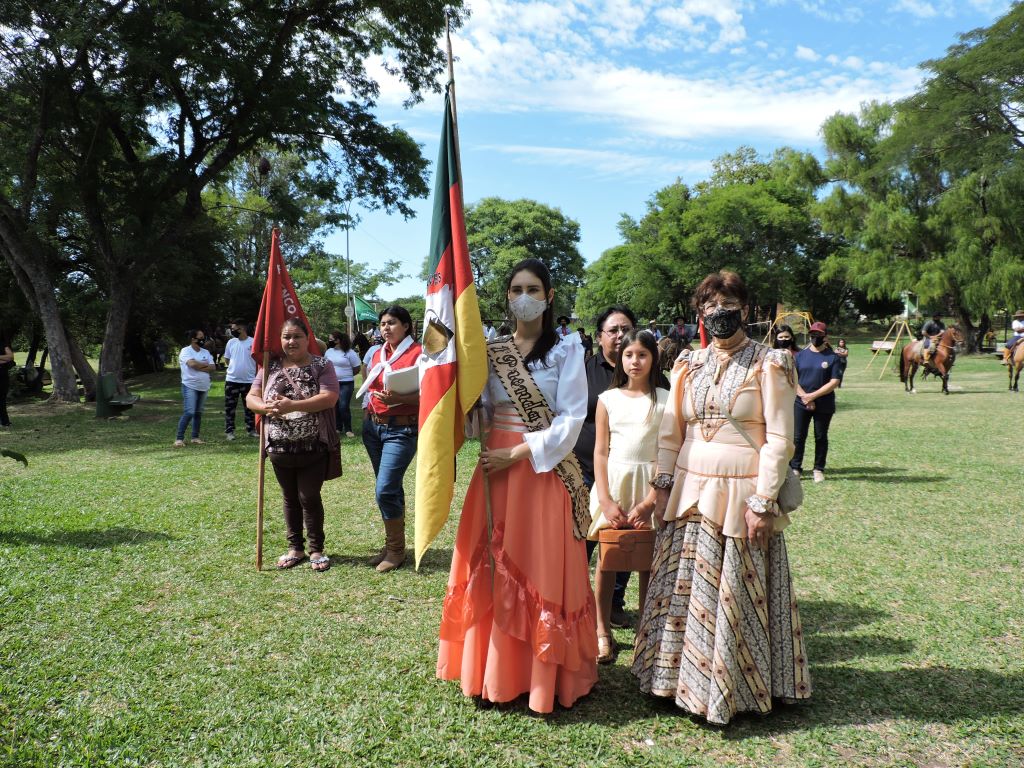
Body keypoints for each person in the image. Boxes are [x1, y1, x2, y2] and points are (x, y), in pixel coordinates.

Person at [632, 270, 810, 725]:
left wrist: (763, 501)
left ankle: (736, 689)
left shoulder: (770, 361)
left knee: (733, 592)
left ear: (745, 310)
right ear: (699, 312)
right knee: (685, 591)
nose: (720, 312)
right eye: (711, 305)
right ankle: (673, 680)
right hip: (689, 490)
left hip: (741, 492)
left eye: (729, 303)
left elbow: (779, 439)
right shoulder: (688, 362)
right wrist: (661, 485)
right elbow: (671, 433)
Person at [437, 258, 596, 714]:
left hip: (539, 470)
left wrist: (518, 452)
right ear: (506, 297)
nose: (523, 296)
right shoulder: (491, 348)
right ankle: (492, 672)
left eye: (532, 288)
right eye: (514, 289)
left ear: (548, 296)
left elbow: (571, 418)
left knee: (537, 565)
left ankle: (542, 679)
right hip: (493, 468)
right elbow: (478, 409)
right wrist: (470, 413)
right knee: (490, 560)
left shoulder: (565, 350)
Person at [575, 305, 670, 629]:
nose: (633, 359)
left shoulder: (664, 395)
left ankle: (627, 616)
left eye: (641, 353)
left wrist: (652, 498)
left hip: (647, 484)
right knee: (598, 553)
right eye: (613, 331)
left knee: (639, 555)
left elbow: (668, 447)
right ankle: (589, 620)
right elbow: (600, 448)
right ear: (600, 335)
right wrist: (604, 497)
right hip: (600, 480)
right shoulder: (590, 377)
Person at [247, 318, 339, 572]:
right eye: (286, 337)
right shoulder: (269, 366)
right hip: (278, 448)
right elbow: (251, 397)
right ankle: (295, 548)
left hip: (313, 447)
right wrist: (266, 407)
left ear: (307, 338)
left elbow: (329, 398)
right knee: (289, 498)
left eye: (297, 336)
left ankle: (316, 549)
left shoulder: (322, 365)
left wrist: (292, 406)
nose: (291, 342)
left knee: (308, 496)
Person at [358, 305, 421, 573]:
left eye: (392, 323)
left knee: (384, 489)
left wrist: (401, 399)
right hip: (374, 428)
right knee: (390, 488)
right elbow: (370, 386)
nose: (385, 328)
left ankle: (396, 550)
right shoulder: (378, 353)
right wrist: (366, 413)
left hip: (402, 430)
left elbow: (432, 395)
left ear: (406, 326)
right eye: (383, 323)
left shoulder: (419, 354)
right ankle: (394, 544)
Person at [791, 321, 841, 484]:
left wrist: (812, 396)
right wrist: (804, 397)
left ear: (825, 336)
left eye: (818, 334)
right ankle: (796, 467)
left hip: (824, 403)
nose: (815, 337)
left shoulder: (833, 357)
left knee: (820, 436)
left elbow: (834, 382)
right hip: (800, 403)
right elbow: (793, 379)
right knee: (798, 437)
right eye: (812, 333)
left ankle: (818, 469)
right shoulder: (800, 356)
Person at [175, 330, 216, 447]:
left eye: (204, 337)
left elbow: (213, 367)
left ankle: (195, 437)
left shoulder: (206, 352)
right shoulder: (185, 351)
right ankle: (179, 439)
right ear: (193, 339)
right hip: (190, 386)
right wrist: (203, 365)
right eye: (201, 337)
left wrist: (199, 366)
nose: (203, 339)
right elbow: (192, 365)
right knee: (189, 412)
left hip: (204, 386)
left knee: (198, 413)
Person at [223, 319, 257, 440]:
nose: (232, 331)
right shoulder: (231, 342)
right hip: (232, 380)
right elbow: (227, 359)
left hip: (249, 381)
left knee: (250, 407)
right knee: (230, 408)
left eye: (233, 329)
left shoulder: (253, 342)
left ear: (241, 329)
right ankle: (229, 432)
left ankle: (251, 429)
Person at [325, 330, 361, 438]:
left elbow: (356, 368)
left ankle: (348, 429)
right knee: (335, 406)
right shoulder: (329, 351)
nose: (329, 341)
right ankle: (338, 427)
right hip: (332, 383)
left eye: (331, 339)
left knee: (343, 406)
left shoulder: (349, 352)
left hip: (346, 383)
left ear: (338, 340)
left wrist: (345, 375)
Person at [0, 336, 13, 428]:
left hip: (2, 376)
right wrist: (4, 359)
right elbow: (7, 358)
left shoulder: (2, 344)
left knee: (2, 399)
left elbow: (10, 356)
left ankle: (5, 422)